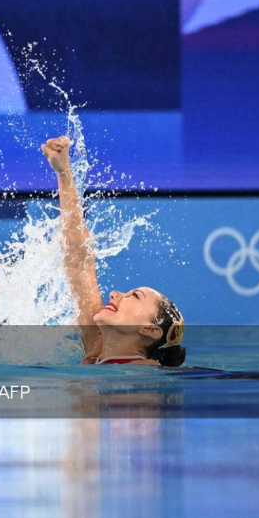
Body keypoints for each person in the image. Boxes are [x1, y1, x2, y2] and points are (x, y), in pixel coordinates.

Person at [42, 136, 186, 366]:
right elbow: (79, 261)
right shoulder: (96, 349)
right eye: (133, 294)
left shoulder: (147, 380)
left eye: (134, 296)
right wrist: (62, 171)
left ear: (149, 330)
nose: (115, 293)